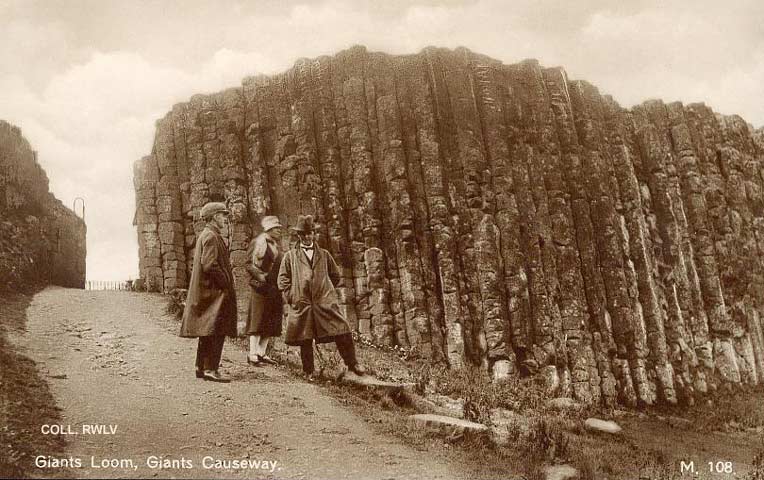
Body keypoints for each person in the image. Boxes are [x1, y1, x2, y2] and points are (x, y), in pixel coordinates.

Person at [277, 214, 366, 380]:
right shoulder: (290, 256)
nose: (306, 237)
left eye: (309, 233)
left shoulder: (324, 255)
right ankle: (308, 371)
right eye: (303, 234)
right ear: (298, 235)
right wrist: (292, 295)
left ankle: (352, 363)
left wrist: (326, 291)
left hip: (324, 302)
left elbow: (335, 275)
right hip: (302, 303)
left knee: (342, 327)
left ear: (313, 234)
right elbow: (282, 280)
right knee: (305, 336)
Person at [179, 201, 237, 383]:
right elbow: (210, 264)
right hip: (213, 292)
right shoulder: (211, 236)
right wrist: (226, 282)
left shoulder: (207, 234)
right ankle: (211, 368)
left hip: (207, 291)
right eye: (222, 215)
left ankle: (200, 367)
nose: (225, 219)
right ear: (213, 217)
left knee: (207, 330)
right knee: (216, 329)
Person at [244, 215, 285, 366]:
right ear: (268, 229)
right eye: (276, 228)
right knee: (258, 319)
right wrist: (261, 276)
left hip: (274, 287)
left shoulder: (276, 245)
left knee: (271, 320)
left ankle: (262, 352)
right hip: (260, 287)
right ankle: (252, 354)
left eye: (279, 228)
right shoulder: (258, 242)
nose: (279, 231)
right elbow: (248, 264)